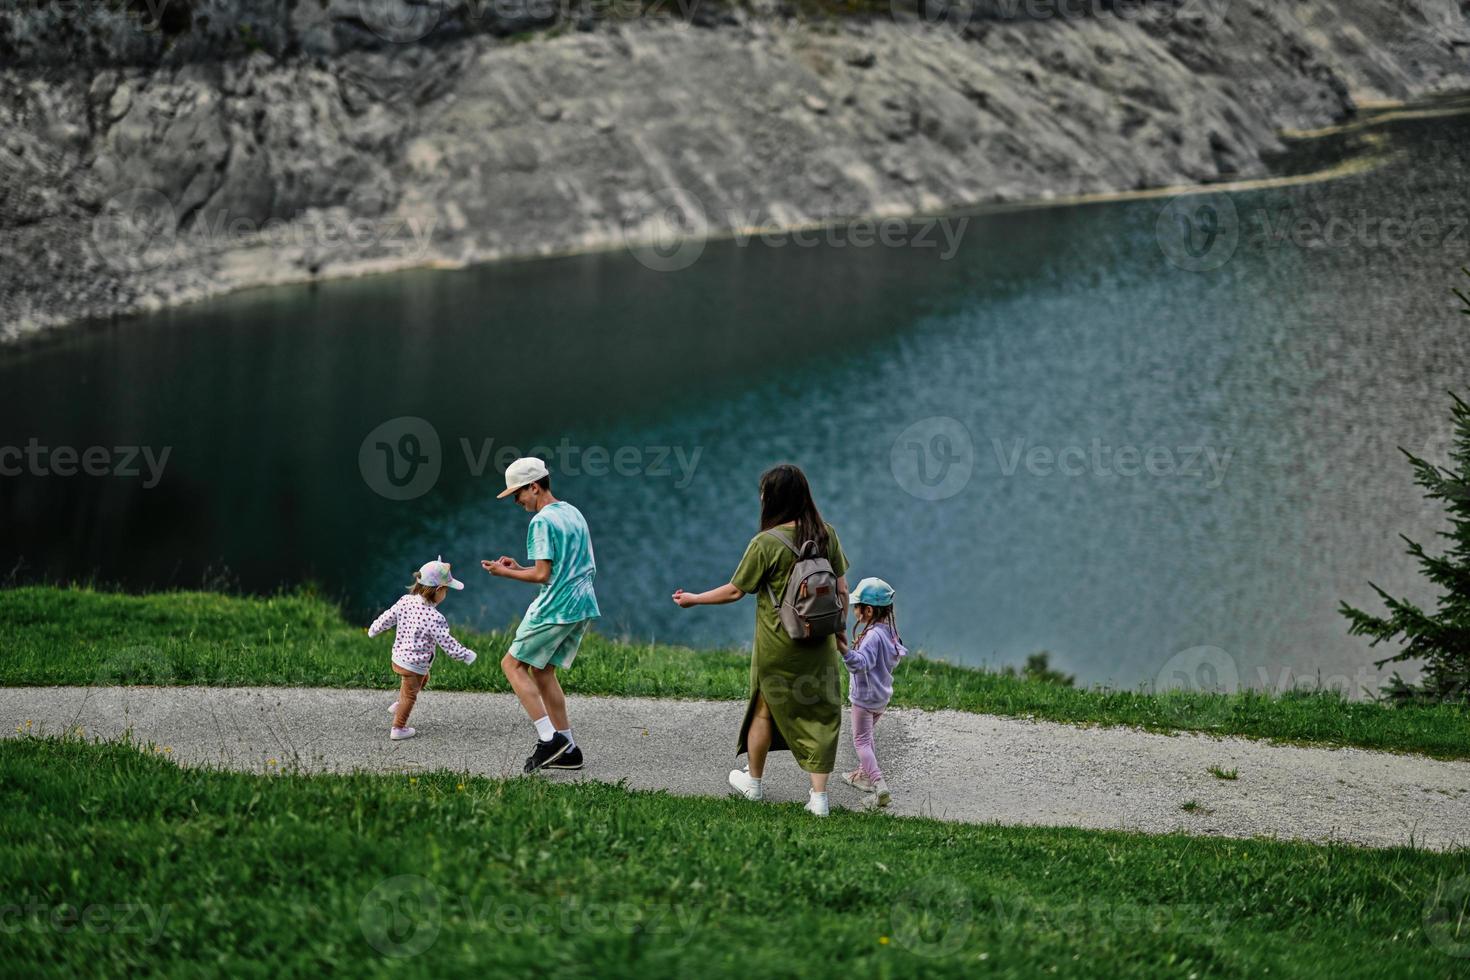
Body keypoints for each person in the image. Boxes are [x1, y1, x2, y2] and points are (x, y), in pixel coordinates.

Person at [672, 463, 849, 817]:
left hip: (778, 645)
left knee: (764, 709)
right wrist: (841, 636)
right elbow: (841, 590)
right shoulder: (827, 534)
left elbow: (735, 591)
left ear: (773, 499)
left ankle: (753, 783)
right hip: (818, 644)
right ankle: (819, 798)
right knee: (820, 712)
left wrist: (694, 598)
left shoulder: (766, 543)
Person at [483, 456, 600, 773]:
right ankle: (569, 749)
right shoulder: (571, 512)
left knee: (511, 663)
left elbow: (542, 576)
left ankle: (550, 738)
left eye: (517, 494)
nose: (517, 502)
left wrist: (504, 573)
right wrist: (521, 567)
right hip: (582, 604)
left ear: (534, 487)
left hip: (556, 605)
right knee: (543, 672)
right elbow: (556, 568)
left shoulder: (541, 522)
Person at [367, 557, 478, 740]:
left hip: (398, 657)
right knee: (410, 695)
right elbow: (447, 642)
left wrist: (374, 628)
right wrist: (464, 655)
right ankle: (398, 728)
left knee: (422, 679)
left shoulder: (405, 601)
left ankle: (400, 702)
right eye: (446, 590)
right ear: (439, 590)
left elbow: (388, 617)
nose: (446, 594)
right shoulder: (434, 617)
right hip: (413, 664)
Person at [840, 577, 907, 807]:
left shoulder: (871, 637)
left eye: (856, 606)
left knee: (860, 741)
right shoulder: (888, 632)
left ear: (868, 610)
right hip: (881, 698)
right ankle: (862, 773)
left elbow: (860, 663)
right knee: (867, 738)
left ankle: (878, 784)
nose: (854, 610)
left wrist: (843, 649)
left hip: (864, 699)